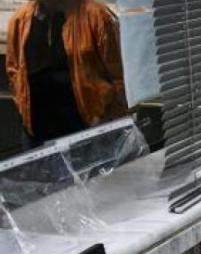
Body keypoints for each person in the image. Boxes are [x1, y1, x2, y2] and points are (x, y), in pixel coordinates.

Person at [5, 0, 128, 148]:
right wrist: (22, 108)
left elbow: (120, 76)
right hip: (36, 134)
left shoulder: (96, 16)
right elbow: (14, 71)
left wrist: (106, 118)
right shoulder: (20, 20)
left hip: (89, 130)